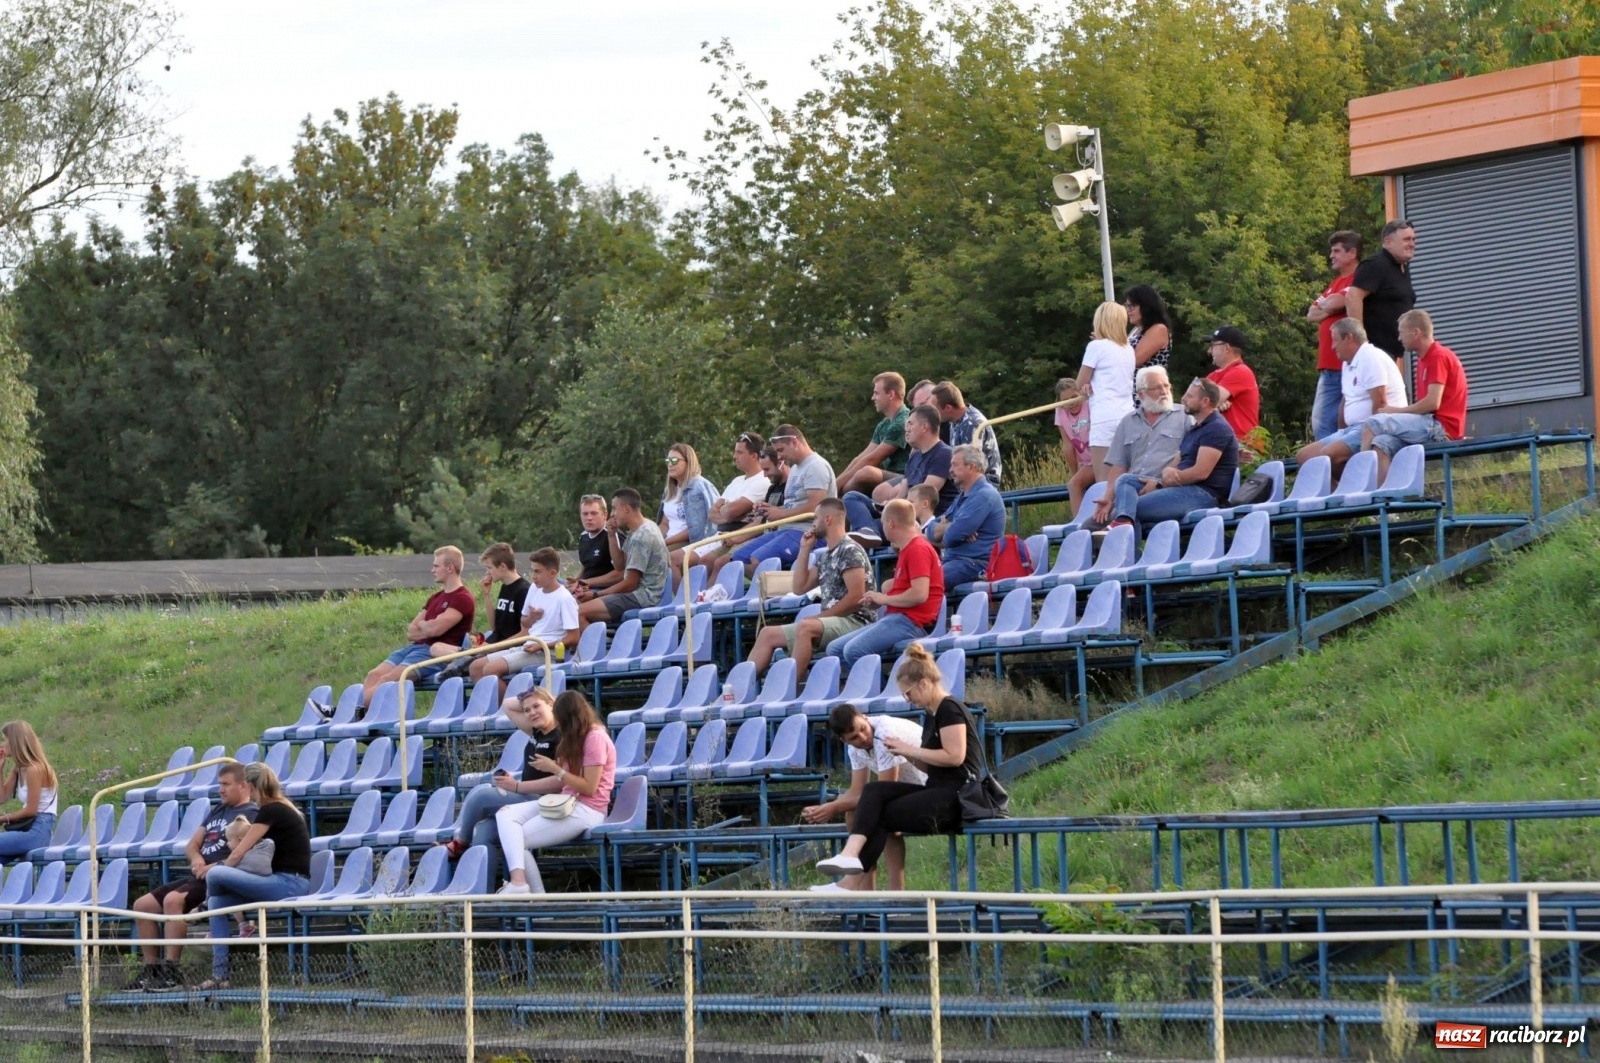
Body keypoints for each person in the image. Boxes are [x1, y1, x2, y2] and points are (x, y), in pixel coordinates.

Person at [813, 643, 976, 880]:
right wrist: (907, 753)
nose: (907, 700)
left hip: (958, 796)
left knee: (874, 810)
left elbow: (955, 756)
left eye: (907, 694)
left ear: (923, 683)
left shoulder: (949, 709)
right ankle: (852, 876)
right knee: (872, 795)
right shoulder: (933, 713)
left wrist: (910, 749)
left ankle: (858, 884)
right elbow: (930, 766)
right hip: (937, 788)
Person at [128, 761, 257, 991]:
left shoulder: (251, 814)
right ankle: (151, 969)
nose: (221, 789)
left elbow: (245, 853)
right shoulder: (218, 809)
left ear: (243, 786)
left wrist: (215, 865)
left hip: (220, 877)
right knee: (142, 905)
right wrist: (197, 859)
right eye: (219, 784)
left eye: (226, 784)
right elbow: (192, 845)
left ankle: (171, 970)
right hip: (199, 873)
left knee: (172, 900)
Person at [494, 690, 617, 895]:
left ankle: (528, 891)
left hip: (588, 808)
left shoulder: (595, 738)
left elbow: (589, 787)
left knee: (518, 839)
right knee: (505, 814)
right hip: (566, 801)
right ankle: (521, 885)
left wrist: (555, 769)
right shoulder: (574, 736)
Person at [204, 763, 312, 990]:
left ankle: (208, 917)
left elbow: (240, 851)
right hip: (280, 881)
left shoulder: (271, 811)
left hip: (288, 883)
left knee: (215, 874)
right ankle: (220, 976)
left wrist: (219, 870)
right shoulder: (283, 807)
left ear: (251, 786)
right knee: (217, 902)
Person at [803, 703, 927, 892]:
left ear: (865, 718)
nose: (862, 737)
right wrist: (827, 807)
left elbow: (885, 790)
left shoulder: (885, 733)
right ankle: (865, 892)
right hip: (907, 790)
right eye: (854, 737)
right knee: (853, 812)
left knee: (881, 814)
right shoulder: (854, 749)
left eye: (863, 729)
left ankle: (894, 894)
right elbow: (856, 791)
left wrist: (834, 807)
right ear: (844, 741)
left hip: (930, 788)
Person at [746, 498, 874, 678]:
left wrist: (821, 617)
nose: (813, 523)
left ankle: (789, 690)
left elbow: (856, 597)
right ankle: (738, 691)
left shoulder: (850, 550)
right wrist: (805, 549)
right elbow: (799, 588)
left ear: (827, 519)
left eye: (815, 518)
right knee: (768, 634)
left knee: (807, 626)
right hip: (831, 622)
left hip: (856, 621)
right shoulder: (828, 555)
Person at [440, 687, 559, 867]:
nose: (532, 713)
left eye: (537, 706)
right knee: (483, 833)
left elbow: (560, 783)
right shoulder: (537, 730)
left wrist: (516, 786)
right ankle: (484, 893)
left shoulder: (561, 735)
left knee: (480, 797)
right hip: (525, 793)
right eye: (527, 710)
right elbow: (508, 704)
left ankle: (460, 842)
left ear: (551, 705)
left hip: (544, 800)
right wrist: (531, 696)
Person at [1105, 378, 1239, 535]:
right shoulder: (1195, 428)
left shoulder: (1216, 428)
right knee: (1126, 480)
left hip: (1204, 494)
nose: (1183, 399)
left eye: (1189, 396)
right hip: (1183, 487)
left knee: (1128, 510)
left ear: (1205, 401)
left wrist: (1161, 484)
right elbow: (1175, 463)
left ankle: (1126, 545)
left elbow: (1200, 473)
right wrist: (1164, 476)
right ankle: (1124, 524)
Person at [825, 499, 945, 671]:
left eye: (882, 523)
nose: (882, 528)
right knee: (834, 649)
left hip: (912, 622)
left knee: (854, 651)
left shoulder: (918, 549)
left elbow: (919, 594)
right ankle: (866, 687)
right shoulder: (908, 549)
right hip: (897, 618)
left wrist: (884, 598)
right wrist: (881, 600)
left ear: (890, 523)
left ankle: (879, 691)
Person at [713, 425, 836, 578]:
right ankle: (768, 590)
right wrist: (770, 509)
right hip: (785, 531)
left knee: (755, 559)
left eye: (780, 450)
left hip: (808, 534)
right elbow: (794, 504)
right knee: (737, 558)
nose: (779, 457)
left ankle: (781, 592)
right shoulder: (797, 469)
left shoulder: (816, 466)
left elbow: (817, 508)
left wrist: (780, 514)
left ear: (794, 442)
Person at [361, 545, 476, 706]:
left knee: (387, 680)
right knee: (374, 674)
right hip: (414, 648)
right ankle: (358, 715)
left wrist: (426, 625)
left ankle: (351, 713)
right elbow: (411, 632)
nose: (432, 570)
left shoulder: (462, 598)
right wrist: (428, 625)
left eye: (436, 566)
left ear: (450, 568)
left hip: (433, 653)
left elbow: (436, 630)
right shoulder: (435, 597)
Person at [1362, 309, 1469, 480]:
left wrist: (1396, 411)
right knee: (1381, 443)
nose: (1399, 338)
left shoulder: (1438, 356)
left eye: (1401, 333)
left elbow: (1433, 403)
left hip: (1441, 429)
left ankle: (1362, 481)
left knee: (1373, 422)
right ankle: (1386, 497)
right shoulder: (1423, 359)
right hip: (1429, 425)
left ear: (1416, 333)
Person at [1294, 318, 1407, 476]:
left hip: (1373, 427)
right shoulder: (1348, 363)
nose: (1333, 347)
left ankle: (1356, 486)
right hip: (1352, 429)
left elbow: (1380, 403)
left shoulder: (1370, 358)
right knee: (1304, 457)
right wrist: (1342, 433)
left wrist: (1369, 439)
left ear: (1349, 337)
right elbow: (1346, 403)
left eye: (1335, 341)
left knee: (1327, 456)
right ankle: (1339, 495)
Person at [1087, 366, 1193, 531]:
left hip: (1167, 488)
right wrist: (1108, 498)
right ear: (1141, 393)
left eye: (1166, 386)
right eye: (1157, 387)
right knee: (1087, 529)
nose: (1164, 391)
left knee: (1129, 513)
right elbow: (1119, 465)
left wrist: (1159, 484)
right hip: (1130, 491)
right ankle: (1120, 548)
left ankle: (1127, 549)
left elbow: (1192, 457)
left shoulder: (1185, 416)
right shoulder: (1128, 422)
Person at [842, 405, 953, 544]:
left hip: (917, 518)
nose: (906, 428)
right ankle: (868, 530)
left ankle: (871, 531)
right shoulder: (915, 455)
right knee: (852, 497)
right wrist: (890, 504)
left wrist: (892, 508)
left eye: (911, 423)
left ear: (924, 427)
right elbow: (904, 488)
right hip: (901, 511)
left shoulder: (944, 454)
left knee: (881, 525)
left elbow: (924, 496)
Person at [471, 548, 581, 686]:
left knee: (490, 669)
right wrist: (532, 618)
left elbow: (574, 637)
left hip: (547, 652)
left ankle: (506, 706)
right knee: (475, 667)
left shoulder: (564, 598)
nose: (533, 576)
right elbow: (524, 623)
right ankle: (486, 704)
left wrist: (541, 646)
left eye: (537, 571)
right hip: (528, 646)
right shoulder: (534, 589)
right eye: (532, 570)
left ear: (552, 573)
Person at [575, 489, 671, 629]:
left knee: (578, 612)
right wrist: (612, 535)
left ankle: (589, 651)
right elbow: (620, 565)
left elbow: (631, 583)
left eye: (614, 508)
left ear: (626, 509)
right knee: (578, 606)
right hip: (636, 593)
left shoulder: (641, 537)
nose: (612, 514)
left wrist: (596, 595)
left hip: (643, 596)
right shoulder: (639, 529)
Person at [437, 543, 530, 682]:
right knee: (437, 648)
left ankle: (464, 662)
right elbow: (495, 627)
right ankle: (465, 659)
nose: (488, 573)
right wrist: (486, 595)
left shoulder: (523, 590)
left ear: (503, 567)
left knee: (473, 662)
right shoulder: (505, 587)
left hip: (508, 646)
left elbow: (525, 633)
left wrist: (493, 647)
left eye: (489, 568)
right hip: (494, 641)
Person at [1306, 230, 1364, 441]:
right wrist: (1329, 306)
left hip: (1346, 363)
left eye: (1336, 251)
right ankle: (1331, 469)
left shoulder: (1359, 278)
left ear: (1352, 253)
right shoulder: (1335, 283)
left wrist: (1328, 306)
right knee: (1323, 422)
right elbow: (1311, 314)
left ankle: (1332, 468)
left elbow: (1334, 303)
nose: (1331, 256)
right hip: (1328, 365)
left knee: (1333, 421)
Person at [1073, 301, 1137, 483]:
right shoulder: (1128, 349)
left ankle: (1104, 512)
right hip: (1127, 415)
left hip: (1105, 416)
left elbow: (1079, 382)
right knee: (1126, 477)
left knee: (1103, 481)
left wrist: (1086, 385)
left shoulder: (1096, 347)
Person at [686, 432, 771, 568]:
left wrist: (726, 510)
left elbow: (730, 511)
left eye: (739, 453)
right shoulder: (736, 481)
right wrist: (728, 513)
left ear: (754, 456)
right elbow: (712, 513)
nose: (734, 456)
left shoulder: (763, 480)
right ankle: (696, 590)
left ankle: (708, 590)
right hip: (720, 534)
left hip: (739, 534)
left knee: (703, 562)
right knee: (676, 560)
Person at [930, 445, 1006, 588]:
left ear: (971, 467)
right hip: (956, 562)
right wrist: (951, 526)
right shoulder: (963, 496)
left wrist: (950, 530)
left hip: (974, 564)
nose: (950, 470)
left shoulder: (983, 496)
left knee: (923, 583)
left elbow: (951, 538)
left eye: (954, 465)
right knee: (906, 580)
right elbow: (930, 528)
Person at [1347, 219, 1416, 364]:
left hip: (1390, 353)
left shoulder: (1401, 267)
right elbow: (1353, 296)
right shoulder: (1376, 264)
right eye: (1406, 239)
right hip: (1375, 351)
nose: (1412, 244)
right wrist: (1360, 341)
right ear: (1388, 242)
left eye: (1413, 239)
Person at [836, 372, 911, 495]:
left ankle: (837, 497)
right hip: (891, 477)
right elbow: (863, 457)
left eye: (876, 393)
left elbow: (873, 459)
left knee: (867, 473)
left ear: (891, 394)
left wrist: (837, 487)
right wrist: (835, 483)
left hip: (906, 477)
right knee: (860, 469)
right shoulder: (884, 424)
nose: (873, 398)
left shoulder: (902, 422)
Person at [0, 721, 57, 862]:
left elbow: (31, 810)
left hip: (38, 832)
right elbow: (2, 798)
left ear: (15, 741)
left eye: (5, 739)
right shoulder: (19, 769)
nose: (3, 743)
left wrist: (4, 818)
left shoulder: (34, 769)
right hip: (26, 829)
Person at [931, 381, 1002, 486]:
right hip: (967, 485)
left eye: (934, 408)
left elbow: (970, 469)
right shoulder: (955, 421)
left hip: (984, 485)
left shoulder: (972, 425)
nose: (932, 412)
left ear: (948, 408)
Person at [659, 442, 718, 565]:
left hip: (690, 542)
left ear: (688, 462)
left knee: (657, 561)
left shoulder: (699, 486)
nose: (670, 464)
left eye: (675, 460)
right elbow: (665, 523)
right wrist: (656, 539)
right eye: (668, 460)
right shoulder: (670, 490)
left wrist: (665, 543)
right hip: (669, 541)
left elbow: (698, 527)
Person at [1204, 326, 1261, 450]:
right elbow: (1189, 401)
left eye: (1213, 345)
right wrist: (1216, 406)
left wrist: (1213, 403)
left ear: (1226, 348)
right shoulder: (1213, 376)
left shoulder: (1241, 372)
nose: (1209, 351)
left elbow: (1204, 402)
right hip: (1222, 443)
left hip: (1243, 446)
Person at [1053, 377, 1094, 513]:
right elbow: (1068, 445)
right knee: (1074, 483)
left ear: (1081, 394)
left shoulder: (1090, 404)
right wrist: (1075, 472)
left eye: (1074, 397)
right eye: (1065, 401)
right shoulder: (1060, 412)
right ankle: (1079, 523)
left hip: (1100, 458)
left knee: (1098, 483)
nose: (1071, 403)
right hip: (1086, 463)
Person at [1123, 284, 1173, 369]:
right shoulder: (1137, 329)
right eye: (1127, 306)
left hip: (1147, 381)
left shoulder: (1158, 329)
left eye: (1132, 306)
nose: (1128, 310)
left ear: (1146, 306)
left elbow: (1135, 360)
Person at [573, 495, 616, 589]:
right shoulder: (583, 536)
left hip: (602, 589)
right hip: (584, 585)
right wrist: (575, 581)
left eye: (594, 513)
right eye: (585, 514)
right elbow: (586, 566)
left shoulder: (612, 536)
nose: (589, 518)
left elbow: (620, 574)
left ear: (605, 515)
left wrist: (585, 583)